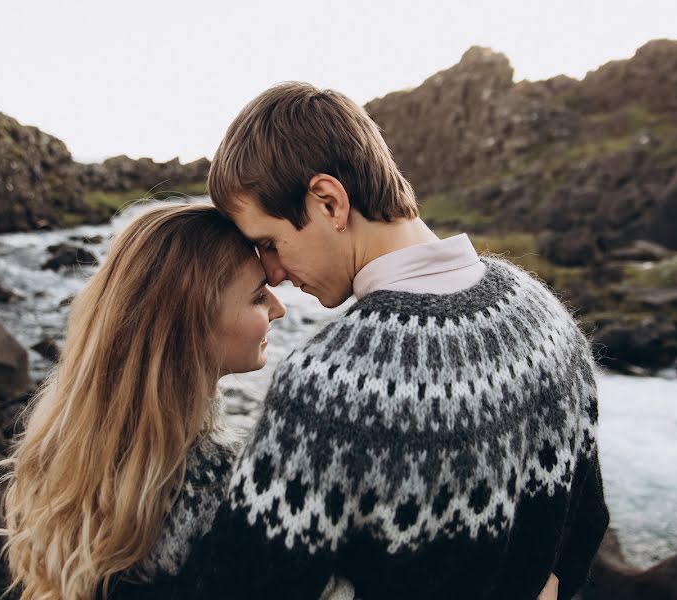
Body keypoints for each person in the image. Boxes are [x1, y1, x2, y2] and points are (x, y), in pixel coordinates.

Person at [170, 82, 610, 599]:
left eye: (270, 243)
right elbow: (585, 525)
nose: (273, 271)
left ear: (329, 202)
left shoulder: (330, 384)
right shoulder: (547, 316)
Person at [0, 203, 287, 600]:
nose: (280, 309)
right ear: (192, 325)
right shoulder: (220, 486)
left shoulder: (68, 449)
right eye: (257, 297)